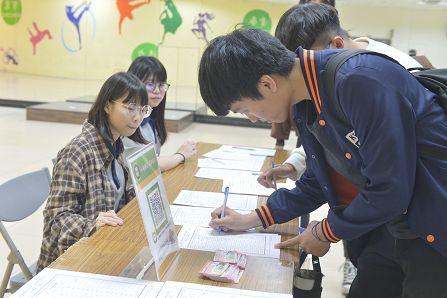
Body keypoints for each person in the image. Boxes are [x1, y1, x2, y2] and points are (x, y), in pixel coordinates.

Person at [199, 28, 447, 297]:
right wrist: (254, 218)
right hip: (395, 226)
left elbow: (390, 188)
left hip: (434, 228)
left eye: (244, 109)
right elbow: (319, 179)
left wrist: (325, 232)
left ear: (267, 84)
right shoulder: (307, 99)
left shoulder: (357, 80)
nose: (252, 118)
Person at [258, 3, 422, 295]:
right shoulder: (329, 77)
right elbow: (333, 139)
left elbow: (390, 177)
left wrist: (326, 231)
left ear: (335, 45)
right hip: (371, 202)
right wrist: (297, 163)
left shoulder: (373, 74)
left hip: (411, 215)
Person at [37, 72, 150, 271]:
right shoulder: (77, 152)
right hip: (71, 264)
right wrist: (91, 225)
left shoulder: (117, 145)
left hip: (107, 248)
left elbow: (122, 197)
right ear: (107, 106)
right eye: (130, 107)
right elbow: (56, 220)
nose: (137, 116)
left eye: (142, 109)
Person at [124, 56, 197, 171]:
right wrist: (180, 155)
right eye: (149, 84)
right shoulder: (128, 121)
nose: (157, 91)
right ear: (134, 83)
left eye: (161, 85)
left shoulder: (151, 117)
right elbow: (147, 165)